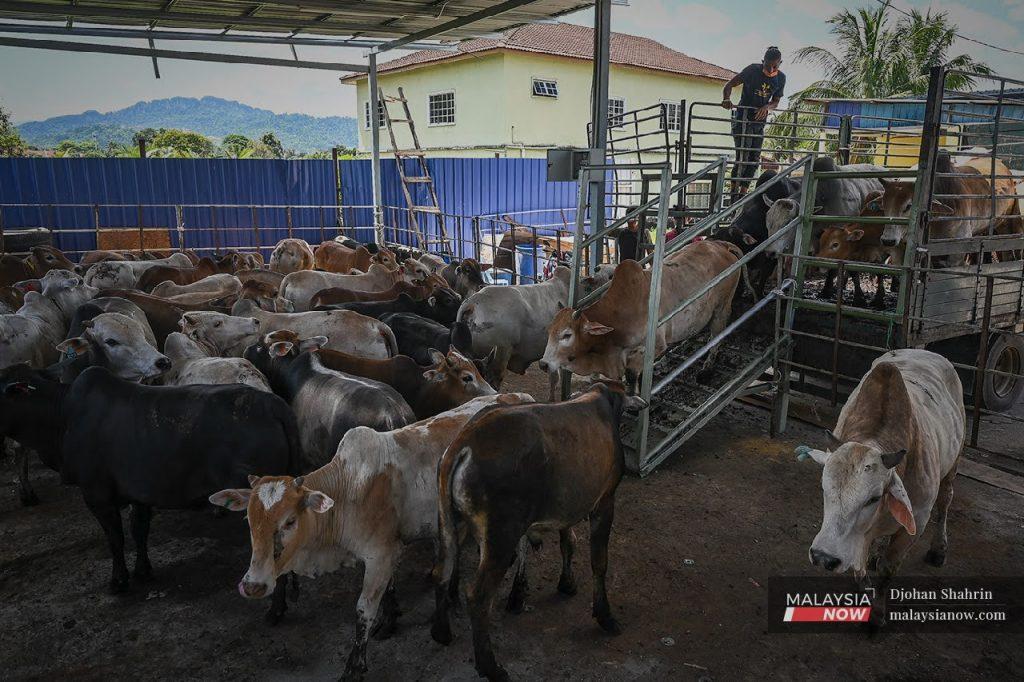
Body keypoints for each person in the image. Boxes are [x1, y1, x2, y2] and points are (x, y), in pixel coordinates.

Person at [722, 46, 786, 200]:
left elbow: (776, 101)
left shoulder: (781, 78)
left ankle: (743, 196)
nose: (771, 69)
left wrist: (767, 107)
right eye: (768, 65)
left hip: (759, 123)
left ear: (780, 63)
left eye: (775, 66)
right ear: (762, 61)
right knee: (742, 157)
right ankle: (733, 195)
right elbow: (729, 85)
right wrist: (726, 98)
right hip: (743, 119)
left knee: (754, 159)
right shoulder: (752, 70)